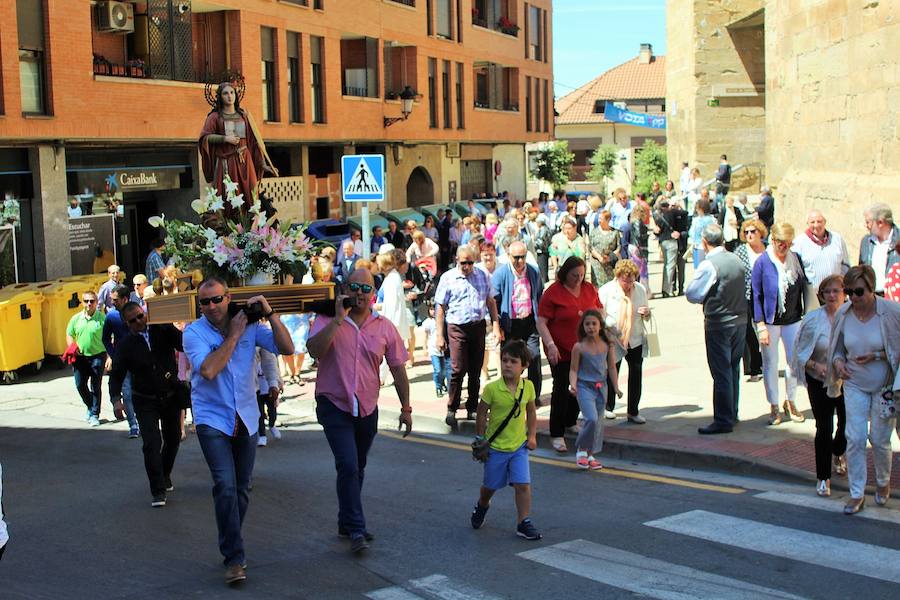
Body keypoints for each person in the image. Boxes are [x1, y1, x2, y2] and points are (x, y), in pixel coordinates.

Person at [182, 278, 293, 584]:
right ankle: (234, 557)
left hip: (245, 415)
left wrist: (270, 314)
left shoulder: (252, 326)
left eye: (217, 299)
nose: (212, 307)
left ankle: (230, 535)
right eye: (205, 302)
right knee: (225, 486)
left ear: (228, 297)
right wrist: (233, 336)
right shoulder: (194, 333)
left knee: (242, 488)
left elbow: (287, 347)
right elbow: (208, 370)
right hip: (211, 418)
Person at [307, 269, 412, 553]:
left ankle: (345, 520)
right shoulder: (327, 319)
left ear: (373, 293)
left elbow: (398, 368)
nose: (360, 293)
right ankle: (356, 528)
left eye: (366, 288)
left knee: (357, 466)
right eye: (354, 287)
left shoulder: (384, 327)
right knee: (348, 465)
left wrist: (406, 408)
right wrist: (339, 318)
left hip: (366, 407)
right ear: (345, 289)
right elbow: (314, 351)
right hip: (334, 404)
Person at [827, 265, 900, 514]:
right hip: (855, 384)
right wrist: (838, 362)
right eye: (849, 292)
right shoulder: (844, 314)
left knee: (879, 440)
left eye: (859, 291)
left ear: (872, 289)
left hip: (885, 387)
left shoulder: (890, 312)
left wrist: (878, 355)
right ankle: (856, 493)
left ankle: (882, 483)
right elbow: (836, 349)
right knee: (855, 438)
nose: (854, 297)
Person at [107, 301, 185, 507]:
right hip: (144, 400)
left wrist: (173, 325)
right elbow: (116, 375)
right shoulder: (125, 345)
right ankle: (158, 490)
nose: (139, 322)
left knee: (173, 438)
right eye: (133, 320)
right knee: (151, 444)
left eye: (141, 316)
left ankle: (164, 473)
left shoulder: (162, 329)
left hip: (169, 395)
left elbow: (183, 344)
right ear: (127, 324)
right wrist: (116, 400)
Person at [469, 340, 541, 540]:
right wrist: (480, 437)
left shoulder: (528, 387)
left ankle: (523, 522)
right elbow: (482, 414)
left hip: (518, 447)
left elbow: (532, 412)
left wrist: (532, 435)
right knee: (490, 487)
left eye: (513, 361)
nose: (507, 365)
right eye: (504, 360)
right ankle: (482, 506)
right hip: (495, 449)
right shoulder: (492, 388)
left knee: (523, 485)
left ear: (524, 365)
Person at [686, 224, 747, 434]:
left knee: (721, 371)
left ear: (704, 242)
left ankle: (723, 419)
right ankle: (732, 412)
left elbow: (692, 293)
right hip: (740, 320)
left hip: (719, 322)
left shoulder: (709, 264)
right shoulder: (736, 260)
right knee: (733, 368)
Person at [536, 257, 602, 452]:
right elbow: (541, 322)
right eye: (575, 275)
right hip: (561, 349)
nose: (578, 279)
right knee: (561, 387)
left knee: (581, 385)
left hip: (584, 348)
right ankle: (556, 433)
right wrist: (550, 344)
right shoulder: (553, 292)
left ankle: (570, 420)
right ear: (565, 273)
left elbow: (599, 310)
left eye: (582, 275)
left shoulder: (589, 288)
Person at [791, 276, 847, 497]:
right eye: (827, 292)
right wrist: (816, 365)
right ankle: (823, 477)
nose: (832, 296)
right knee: (824, 428)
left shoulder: (851, 317)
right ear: (821, 295)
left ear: (844, 293)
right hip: (818, 380)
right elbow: (799, 351)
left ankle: (839, 451)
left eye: (836, 291)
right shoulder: (813, 319)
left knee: (847, 426)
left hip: (845, 381)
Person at [435, 246, 502, 427]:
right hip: (457, 327)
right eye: (463, 262)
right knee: (458, 368)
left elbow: (490, 301)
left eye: (470, 262)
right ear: (457, 260)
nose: (466, 266)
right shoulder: (448, 278)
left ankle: (473, 407)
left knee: (475, 370)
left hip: (477, 326)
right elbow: (440, 307)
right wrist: (439, 335)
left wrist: (496, 326)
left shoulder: (482, 275)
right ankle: (452, 407)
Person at [752, 222, 807, 425]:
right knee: (770, 363)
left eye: (787, 243)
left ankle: (790, 400)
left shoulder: (795, 260)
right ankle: (773, 404)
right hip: (770, 320)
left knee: (793, 362)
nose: (784, 247)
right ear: (773, 240)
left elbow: (804, 287)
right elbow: (756, 295)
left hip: (792, 319)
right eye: (780, 243)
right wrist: (760, 325)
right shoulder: (763, 262)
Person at [199, 81, 276, 216]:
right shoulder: (215, 117)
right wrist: (224, 138)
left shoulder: (243, 116)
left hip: (246, 162)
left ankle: (252, 228)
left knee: (251, 196)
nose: (229, 96)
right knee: (229, 198)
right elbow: (205, 137)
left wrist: (262, 164)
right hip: (227, 163)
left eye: (232, 92)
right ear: (219, 97)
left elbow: (253, 142)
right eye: (225, 93)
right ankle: (231, 227)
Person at [598, 260, 651, 423]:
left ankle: (633, 411)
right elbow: (600, 315)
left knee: (636, 372)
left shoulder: (640, 289)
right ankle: (608, 406)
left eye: (632, 280)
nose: (628, 284)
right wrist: (609, 328)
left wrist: (646, 313)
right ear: (618, 277)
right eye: (625, 280)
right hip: (614, 338)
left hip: (635, 337)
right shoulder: (606, 290)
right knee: (611, 371)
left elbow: (646, 311)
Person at [569, 309, 622, 470]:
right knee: (590, 418)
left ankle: (591, 453)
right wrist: (573, 384)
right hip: (584, 387)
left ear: (600, 326)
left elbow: (612, 367)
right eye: (587, 324)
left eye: (594, 323)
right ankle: (581, 449)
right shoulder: (579, 347)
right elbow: (573, 369)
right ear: (582, 326)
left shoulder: (607, 345)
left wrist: (616, 387)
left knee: (598, 423)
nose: (591, 327)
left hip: (601, 387)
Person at [492, 241, 544, 402]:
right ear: (509, 256)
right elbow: (494, 301)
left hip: (529, 321)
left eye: (523, 257)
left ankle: (533, 395)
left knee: (534, 357)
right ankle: (509, 393)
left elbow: (540, 294)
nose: (520, 261)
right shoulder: (501, 274)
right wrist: (497, 325)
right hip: (510, 324)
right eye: (516, 258)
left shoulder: (533, 271)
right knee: (510, 359)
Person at [102, 285, 141, 436]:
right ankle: (133, 425)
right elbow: (105, 338)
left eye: (115, 300)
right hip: (122, 361)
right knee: (127, 393)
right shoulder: (111, 316)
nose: (112, 303)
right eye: (112, 300)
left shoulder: (137, 312)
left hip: (138, 359)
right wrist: (112, 354)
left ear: (125, 299)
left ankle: (142, 419)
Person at [792, 209, 850, 309]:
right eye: (812, 222)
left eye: (819, 221)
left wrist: (844, 287)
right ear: (807, 223)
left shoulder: (837, 239)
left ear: (825, 222)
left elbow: (845, 265)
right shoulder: (799, 242)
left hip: (836, 294)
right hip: (813, 296)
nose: (816, 225)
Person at [67, 290, 107, 427]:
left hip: (98, 355)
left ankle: (95, 414)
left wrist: (109, 356)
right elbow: (69, 334)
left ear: (97, 303)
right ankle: (91, 405)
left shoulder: (102, 318)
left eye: (92, 301)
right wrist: (72, 346)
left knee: (96, 385)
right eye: (86, 301)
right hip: (80, 357)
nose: (89, 304)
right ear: (82, 302)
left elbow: (109, 337)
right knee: (80, 385)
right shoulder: (76, 318)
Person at [733, 219, 767, 382]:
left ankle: (767, 362)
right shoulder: (740, 251)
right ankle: (753, 367)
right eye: (746, 232)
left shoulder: (768, 249)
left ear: (760, 232)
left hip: (767, 294)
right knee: (748, 331)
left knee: (767, 329)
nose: (749, 235)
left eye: (753, 231)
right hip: (746, 295)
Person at [859, 203, 899, 294]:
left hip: (894, 299)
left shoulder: (898, 242)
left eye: (868, 222)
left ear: (880, 222)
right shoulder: (866, 242)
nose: (866, 225)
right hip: (871, 297)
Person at [653, 200, 687, 298]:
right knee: (670, 266)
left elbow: (657, 231)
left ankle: (667, 288)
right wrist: (678, 206)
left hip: (663, 241)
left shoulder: (658, 217)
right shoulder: (673, 213)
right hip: (671, 241)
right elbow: (685, 213)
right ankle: (667, 289)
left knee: (666, 265)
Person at [422, 305, 451, 397]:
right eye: (431, 309)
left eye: (435, 309)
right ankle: (438, 387)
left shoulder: (445, 320)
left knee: (444, 370)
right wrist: (424, 348)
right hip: (433, 349)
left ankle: (442, 383)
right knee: (437, 369)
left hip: (444, 349)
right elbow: (425, 336)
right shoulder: (427, 322)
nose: (433, 311)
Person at [255, 349, 282, 447]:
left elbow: (275, 369)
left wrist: (279, 383)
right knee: (259, 414)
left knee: (272, 410)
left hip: (268, 389)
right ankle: (262, 435)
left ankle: (272, 424)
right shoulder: (253, 360)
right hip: (256, 389)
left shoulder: (269, 357)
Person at [588, 210, 621, 289]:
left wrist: (610, 257)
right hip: (597, 264)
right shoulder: (594, 232)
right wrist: (599, 257)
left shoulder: (614, 232)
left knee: (611, 286)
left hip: (610, 264)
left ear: (608, 220)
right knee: (597, 287)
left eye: (601, 219)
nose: (599, 221)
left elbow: (619, 247)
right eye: (599, 218)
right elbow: (590, 247)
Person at [279, 312, 310, 385]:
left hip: (302, 320)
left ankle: (297, 374)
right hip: (286, 319)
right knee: (287, 348)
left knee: (301, 348)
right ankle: (292, 374)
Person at [628, 205, 651, 291]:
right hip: (639, 248)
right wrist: (647, 235)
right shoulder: (638, 222)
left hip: (634, 247)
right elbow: (639, 235)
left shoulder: (633, 222)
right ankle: (644, 290)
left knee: (636, 270)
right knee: (642, 271)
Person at [688, 199, 715, 268]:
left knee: (702, 267)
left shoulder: (709, 219)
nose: (696, 210)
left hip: (703, 246)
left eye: (698, 208)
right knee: (697, 267)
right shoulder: (696, 219)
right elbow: (691, 232)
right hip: (695, 246)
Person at [532, 214, 552, 283]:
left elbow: (541, 240)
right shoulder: (545, 228)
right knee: (544, 264)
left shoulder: (543, 229)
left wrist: (535, 244)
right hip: (544, 249)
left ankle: (543, 279)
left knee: (542, 265)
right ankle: (545, 278)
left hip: (542, 250)